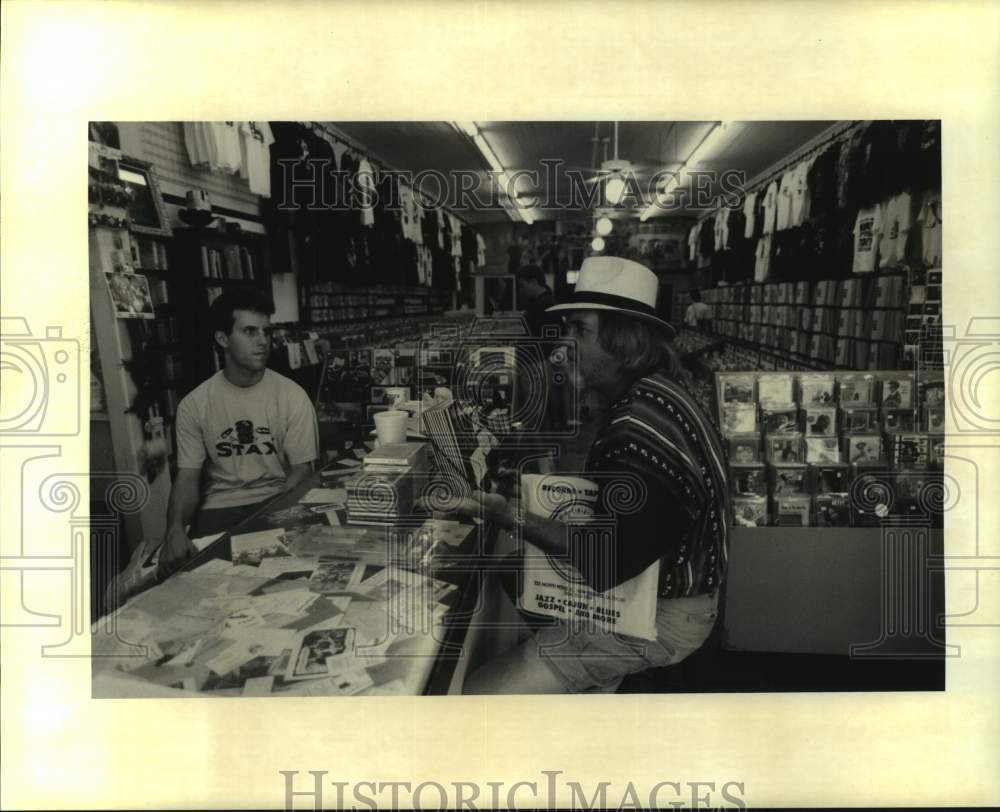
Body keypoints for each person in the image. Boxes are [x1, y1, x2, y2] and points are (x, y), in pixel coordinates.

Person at [452, 256, 730, 694]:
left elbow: (609, 561)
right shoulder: (661, 394)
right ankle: (584, 682)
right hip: (662, 589)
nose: (562, 345)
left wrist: (509, 516)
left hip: (664, 615)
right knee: (513, 572)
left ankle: (583, 682)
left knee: (479, 694)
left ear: (624, 342)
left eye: (579, 330)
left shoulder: (638, 426)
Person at [160, 288, 319, 569]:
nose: (262, 341)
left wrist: (266, 521)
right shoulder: (195, 405)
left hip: (276, 500)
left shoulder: (293, 396)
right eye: (249, 331)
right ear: (222, 339)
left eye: (266, 332)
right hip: (218, 508)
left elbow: (302, 472)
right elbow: (186, 479)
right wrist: (173, 529)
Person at [515, 264, 556, 338]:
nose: (521, 290)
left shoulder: (540, 306)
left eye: (522, 285)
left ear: (533, 282)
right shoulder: (548, 301)